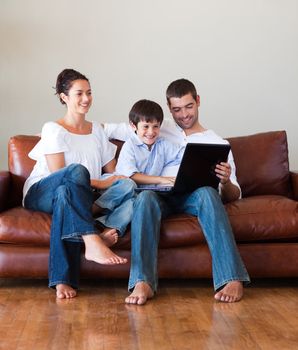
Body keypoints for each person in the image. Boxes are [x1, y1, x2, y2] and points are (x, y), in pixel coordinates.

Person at [104, 79, 250, 305]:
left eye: (189, 107)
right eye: (177, 109)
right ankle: (142, 281)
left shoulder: (217, 142)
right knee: (143, 198)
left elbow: (233, 195)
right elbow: (111, 128)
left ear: (198, 101)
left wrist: (226, 180)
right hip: (159, 195)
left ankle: (231, 277)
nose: (183, 115)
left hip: (194, 196)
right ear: (169, 108)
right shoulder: (159, 127)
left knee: (208, 193)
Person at [23, 68, 135, 299]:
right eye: (79, 94)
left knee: (127, 187)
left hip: (76, 195)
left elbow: (111, 174)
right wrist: (103, 185)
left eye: (89, 93)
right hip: (42, 191)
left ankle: (63, 280)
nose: (86, 99)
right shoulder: (53, 129)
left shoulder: (97, 132)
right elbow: (60, 175)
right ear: (64, 97)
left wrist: (116, 181)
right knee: (73, 175)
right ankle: (91, 238)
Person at [115, 99, 184, 186]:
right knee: (130, 186)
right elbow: (130, 176)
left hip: (148, 193)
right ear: (133, 126)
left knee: (148, 195)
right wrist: (160, 180)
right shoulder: (130, 145)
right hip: (125, 189)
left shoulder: (163, 144)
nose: (151, 132)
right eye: (146, 126)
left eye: (155, 126)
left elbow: (184, 155)